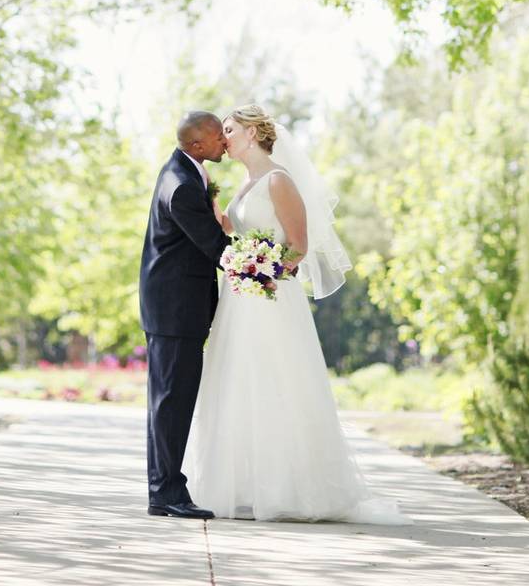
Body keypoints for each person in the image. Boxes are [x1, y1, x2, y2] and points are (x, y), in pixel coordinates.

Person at [182, 104, 414, 525]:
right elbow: (240, 232)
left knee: (276, 383)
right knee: (239, 383)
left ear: (253, 133)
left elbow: (299, 246)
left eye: (230, 129)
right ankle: (245, 487)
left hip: (269, 298)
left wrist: (259, 268)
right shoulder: (246, 183)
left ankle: (291, 489)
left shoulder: (278, 180)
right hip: (240, 299)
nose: (224, 137)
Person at [138, 111, 231, 519]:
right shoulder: (181, 186)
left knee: (169, 401)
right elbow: (216, 246)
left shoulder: (186, 173)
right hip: (175, 311)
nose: (224, 142)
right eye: (216, 138)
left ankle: (164, 491)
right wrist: (269, 263)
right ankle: (167, 493)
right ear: (196, 146)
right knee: (171, 403)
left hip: (175, 308)